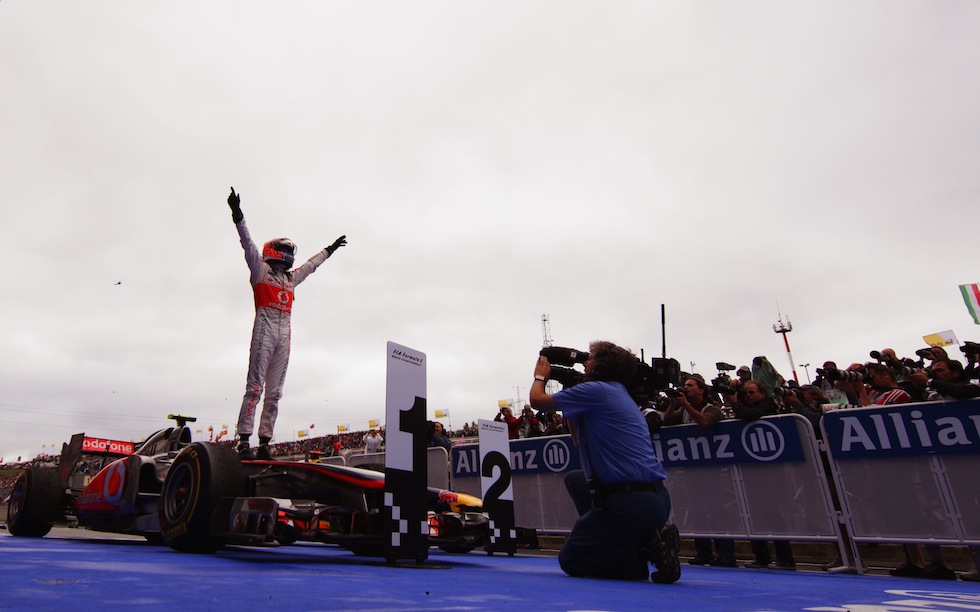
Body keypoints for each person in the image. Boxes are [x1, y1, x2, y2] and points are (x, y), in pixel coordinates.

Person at [529, 340, 680, 583]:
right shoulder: (618, 393)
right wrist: (571, 402)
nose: (583, 364)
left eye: (588, 359)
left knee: (571, 560)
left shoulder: (598, 391)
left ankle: (639, 554)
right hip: (655, 500)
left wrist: (540, 376)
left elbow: (537, 400)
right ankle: (639, 539)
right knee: (576, 480)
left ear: (600, 368)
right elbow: (577, 441)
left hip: (629, 503)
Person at [227, 187, 347, 460]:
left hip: (285, 334)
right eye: (284, 249)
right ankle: (243, 440)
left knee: (276, 392)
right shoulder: (260, 270)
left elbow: (311, 266)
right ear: (273, 251)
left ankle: (265, 443)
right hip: (264, 329)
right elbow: (247, 243)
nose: (288, 254)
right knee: (254, 387)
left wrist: (329, 250)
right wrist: (238, 214)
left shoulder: (291, 279)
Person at [663, 376, 735, 567]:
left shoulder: (711, 408)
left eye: (690, 385)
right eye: (684, 386)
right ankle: (703, 553)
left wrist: (686, 405)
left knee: (716, 510)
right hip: (692, 467)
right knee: (696, 511)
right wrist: (673, 403)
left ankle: (726, 554)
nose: (686, 388)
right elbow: (666, 421)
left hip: (711, 467)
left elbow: (706, 423)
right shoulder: (683, 410)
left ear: (701, 390)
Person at [727, 380, 796, 570]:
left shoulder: (768, 405)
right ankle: (761, 556)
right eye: (746, 393)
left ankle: (785, 558)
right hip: (751, 467)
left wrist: (735, 402)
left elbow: (748, 415)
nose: (748, 396)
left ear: (762, 393)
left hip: (770, 469)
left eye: (751, 392)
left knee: (773, 513)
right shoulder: (744, 406)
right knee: (754, 513)